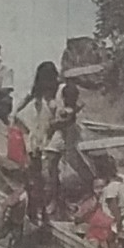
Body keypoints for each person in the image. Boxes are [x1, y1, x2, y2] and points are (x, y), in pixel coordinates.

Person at [13, 61, 59, 222]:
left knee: (47, 171)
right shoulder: (38, 93)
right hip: (38, 131)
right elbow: (25, 103)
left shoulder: (56, 93)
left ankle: (47, 203)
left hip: (47, 131)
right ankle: (38, 205)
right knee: (36, 170)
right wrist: (17, 111)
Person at [45, 79, 94, 214]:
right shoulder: (61, 90)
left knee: (74, 160)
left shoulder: (71, 109)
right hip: (60, 132)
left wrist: (52, 124)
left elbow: (63, 123)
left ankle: (92, 186)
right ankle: (55, 196)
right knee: (51, 159)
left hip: (68, 131)